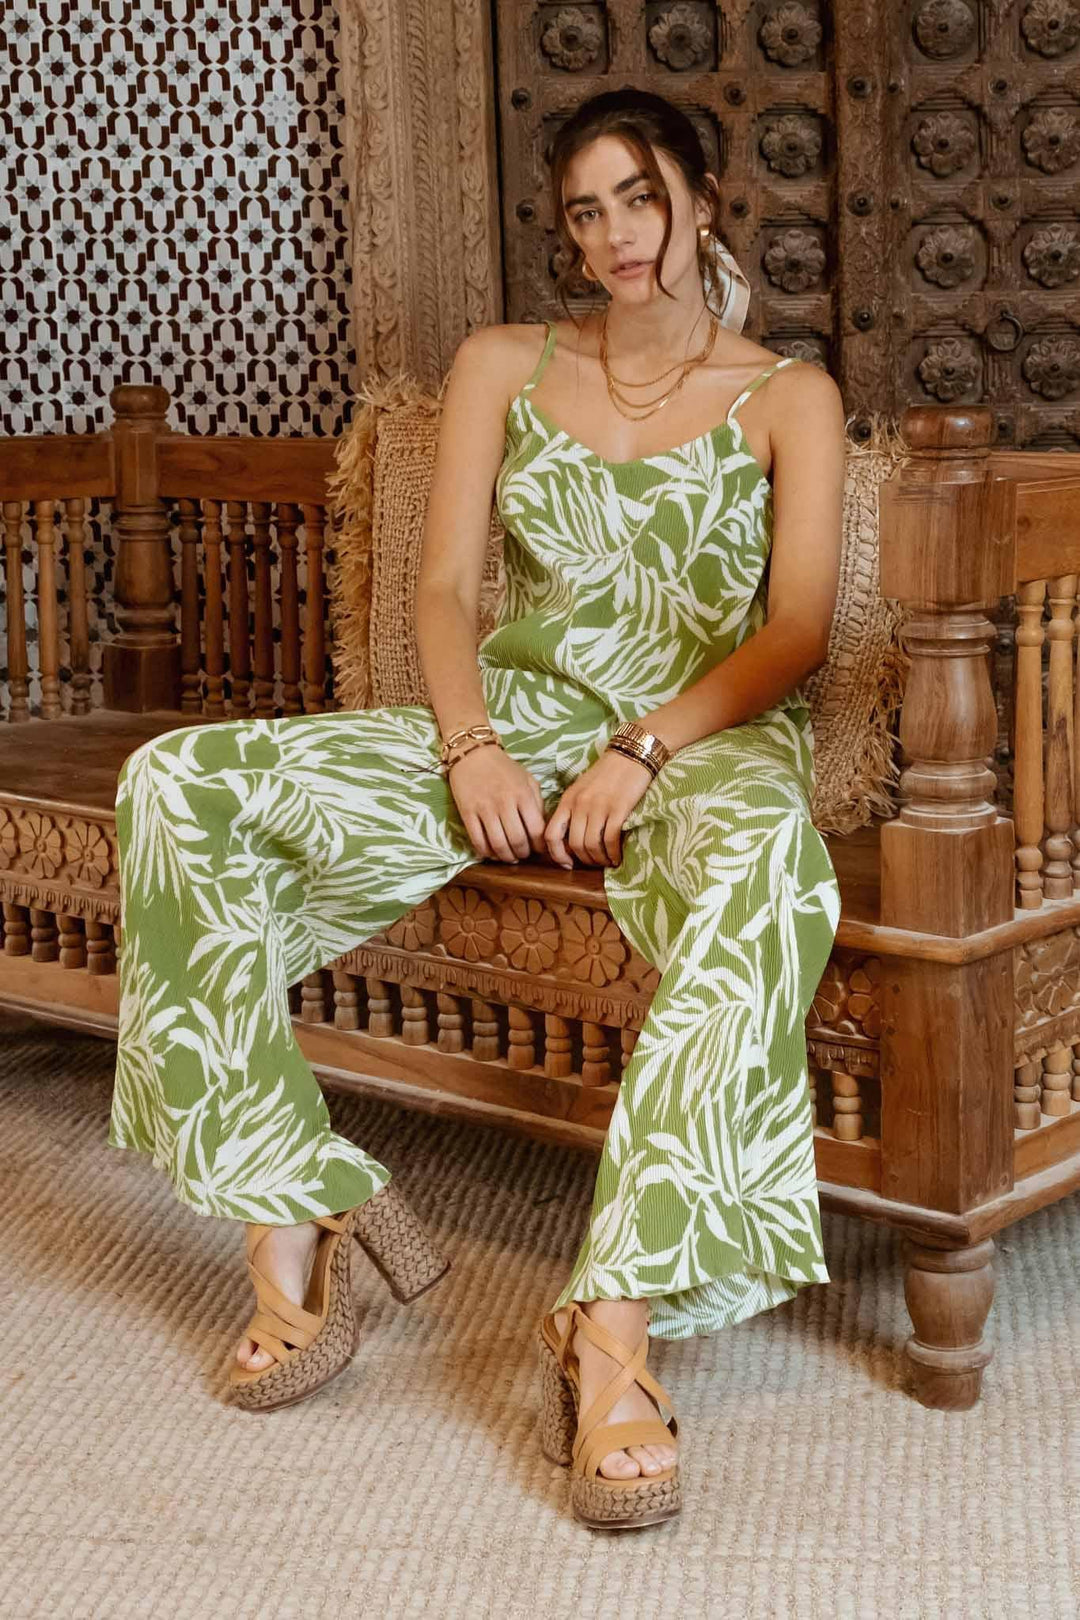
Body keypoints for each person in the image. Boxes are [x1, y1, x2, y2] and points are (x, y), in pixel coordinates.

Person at [109, 83, 844, 1529]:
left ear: (703, 201)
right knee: (178, 781)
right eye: (587, 210)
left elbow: (799, 629)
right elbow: (444, 590)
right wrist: (471, 750)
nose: (617, 234)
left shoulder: (788, 395)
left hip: (703, 741)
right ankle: (294, 1193)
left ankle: (610, 1325)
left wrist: (642, 750)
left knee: (769, 866)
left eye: (642, 197)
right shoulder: (503, 362)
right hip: (515, 726)